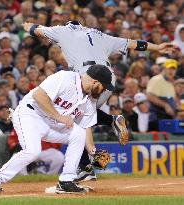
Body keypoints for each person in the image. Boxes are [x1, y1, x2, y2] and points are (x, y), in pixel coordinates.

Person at [22, 20, 175, 182]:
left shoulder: (63, 30)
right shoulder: (99, 35)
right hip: (109, 79)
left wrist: (27, 26)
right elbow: (133, 44)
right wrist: (157, 47)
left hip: (87, 77)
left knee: (69, 120)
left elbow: (36, 30)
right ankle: (110, 123)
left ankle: (87, 166)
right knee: (79, 118)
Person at [0, 64, 114, 194]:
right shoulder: (65, 78)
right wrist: (59, 117)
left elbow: (85, 127)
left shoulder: (90, 100)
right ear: (95, 82)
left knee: (78, 133)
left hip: (52, 125)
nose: (104, 91)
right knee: (32, 151)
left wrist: (93, 151)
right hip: (30, 115)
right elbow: (38, 95)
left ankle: (66, 181)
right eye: (104, 87)